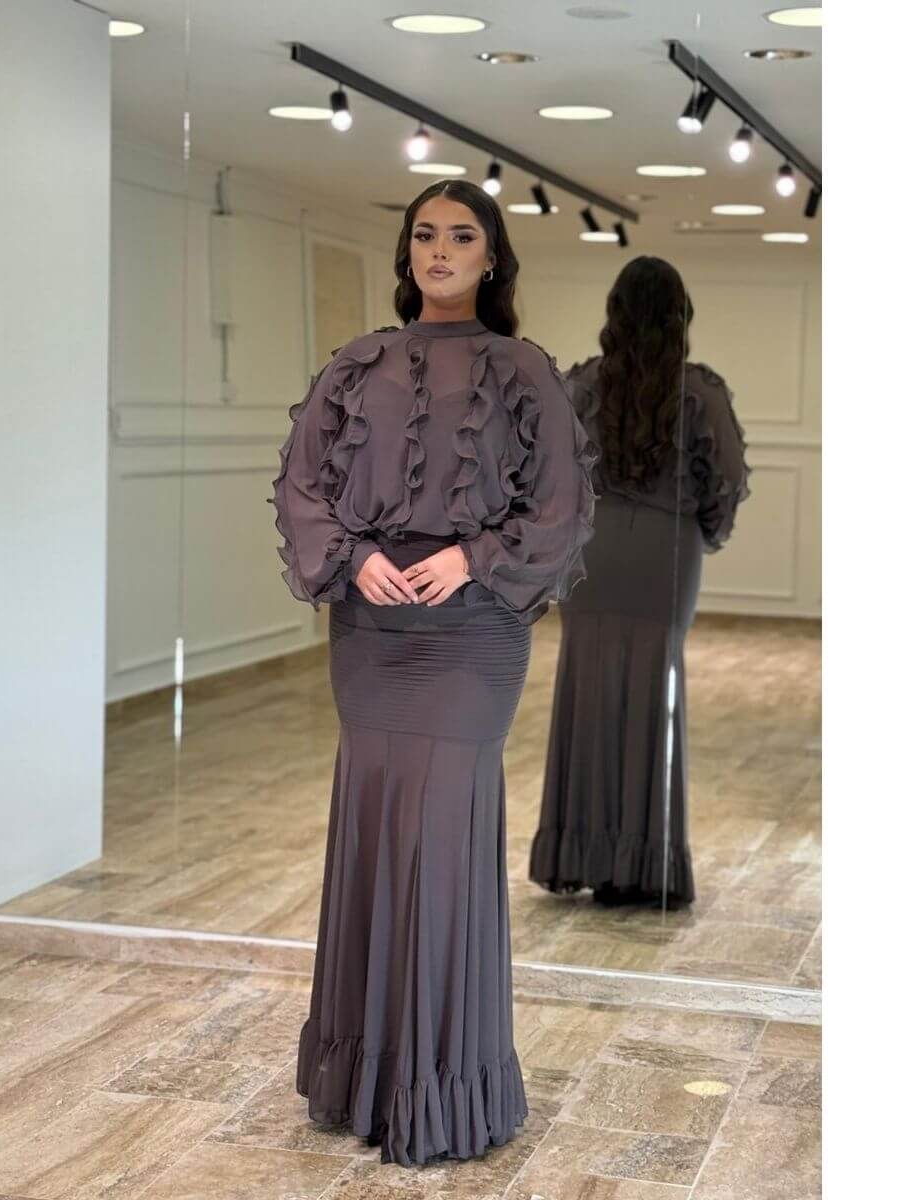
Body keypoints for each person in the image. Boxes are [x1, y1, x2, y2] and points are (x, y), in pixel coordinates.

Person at [270, 179, 596, 1166]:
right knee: (373, 821)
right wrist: (353, 558)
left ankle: (443, 1088)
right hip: (371, 633)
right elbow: (302, 486)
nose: (440, 250)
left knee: (443, 833)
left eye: (461, 236)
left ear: (492, 258)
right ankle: (364, 1079)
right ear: (407, 252)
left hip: (472, 633)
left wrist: (472, 557)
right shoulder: (355, 364)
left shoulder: (524, 370)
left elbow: (561, 506)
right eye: (425, 234)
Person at [528, 255, 750, 907]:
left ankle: (583, 854)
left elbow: (551, 474)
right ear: (681, 316)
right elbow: (727, 481)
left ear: (615, 314)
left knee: (586, 694)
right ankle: (644, 867)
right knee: (656, 698)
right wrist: (701, 530)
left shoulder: (581, 385)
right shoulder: (700, 392)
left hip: (592, 557)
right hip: (665, 557)